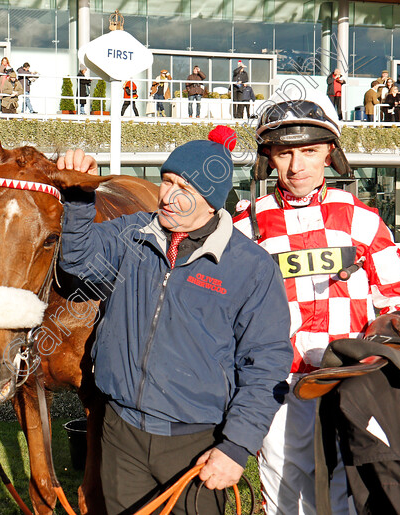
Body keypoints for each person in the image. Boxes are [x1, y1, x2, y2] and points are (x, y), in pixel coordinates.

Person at [59, 126, 292, 515]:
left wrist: (235, 447)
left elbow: (266, 365)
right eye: (166, 181)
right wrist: (81, 198)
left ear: (210, 200)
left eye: (184, 188)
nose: (167, 196)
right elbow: (77, 260)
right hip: (121, 432)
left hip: (196, 444)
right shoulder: (133, 234)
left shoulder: (250, 267)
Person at [233, 88, 400, 514]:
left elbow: (399, 302)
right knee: (285, 486)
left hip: (350, 378)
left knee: (350, 481)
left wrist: (374, 364)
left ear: (329, 154)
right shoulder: (245, 227)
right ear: (268, 158)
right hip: (279, 381)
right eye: (283, 154)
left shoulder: (362, 219)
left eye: (310, 152)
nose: (297, 166)